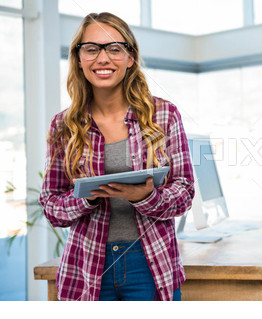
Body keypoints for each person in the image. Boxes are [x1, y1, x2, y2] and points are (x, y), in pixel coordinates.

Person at [39, 12, 195, 301]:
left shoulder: (163, 115)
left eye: (114, 48)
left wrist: (145, 196)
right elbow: (51, 205)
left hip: (150, 264)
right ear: (79, 58)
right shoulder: (63, 125)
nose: (103, 58)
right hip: (85, 267)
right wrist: (87, 197)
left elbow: (184, 191)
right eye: (91, 48)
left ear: (130, 57)